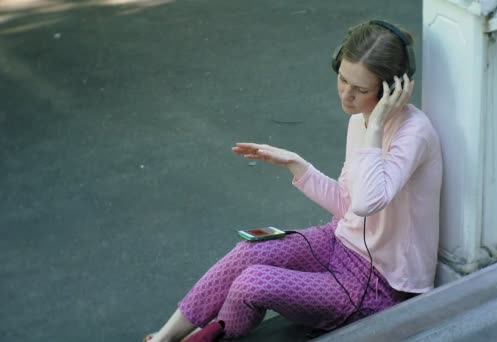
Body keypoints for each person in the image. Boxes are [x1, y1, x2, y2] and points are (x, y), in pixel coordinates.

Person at [146, 19, 442, 342]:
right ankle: (163, 338)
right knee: (248, 253)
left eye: (360, 89)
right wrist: (297, 165)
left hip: (379, 285)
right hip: (338, 242)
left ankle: (206, 339)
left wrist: (376, 126)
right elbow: (347, 207)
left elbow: (368, 201)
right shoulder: (361, 119)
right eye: (342, 79)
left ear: (389, 89)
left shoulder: (414, 133)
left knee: (253, 284)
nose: (346, 95)